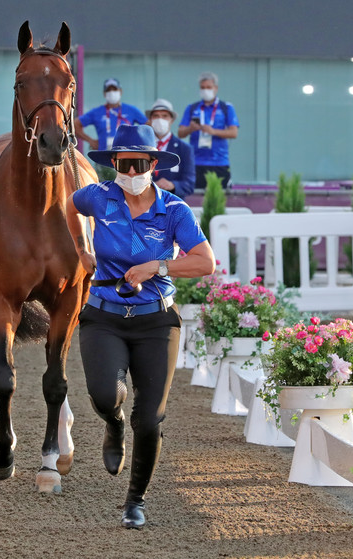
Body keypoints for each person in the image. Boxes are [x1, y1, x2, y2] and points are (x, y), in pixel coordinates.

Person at [65, 124, 216, 529]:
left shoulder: (174, 210)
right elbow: (68, 206)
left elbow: (206, 262)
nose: (131, 172)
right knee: (104, 395)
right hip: (104, 316)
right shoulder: (97, 196)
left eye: (140, 164)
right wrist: (81, 248)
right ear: (113, 163)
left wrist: (159, 265)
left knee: (149, 418)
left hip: (156, 321)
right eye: (124, 163)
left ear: (153, 164)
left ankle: (135, 501)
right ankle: (113, 425)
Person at [178, 71, 239, 190]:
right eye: (202, 87)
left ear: (215, 88)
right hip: (196, 162)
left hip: (219, 162)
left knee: (219, 198)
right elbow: (180, 133)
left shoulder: (226, 107)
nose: (205, 90)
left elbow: (233, 133)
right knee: (195, 199)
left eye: (209, 87)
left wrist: (214, 131)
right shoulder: (192, 108)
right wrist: (191, 128)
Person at [75, 78, 146, 152]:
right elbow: (75, 124)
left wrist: (138, 142)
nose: (111, 92)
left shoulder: (131, 110)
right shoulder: (97, 112)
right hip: (104, 157)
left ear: (120, 92)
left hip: (126, 156)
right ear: (104, 94)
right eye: (108, 90)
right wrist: (90, 141)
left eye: (115, 90)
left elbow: (148, 126)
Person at [145, 98, 195, 201]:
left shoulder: (184, 149)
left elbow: (190, 184)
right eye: (156, 116)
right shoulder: (142, 147)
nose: (160, 119)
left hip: (173, 204)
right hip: (144, 204)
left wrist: (173, 185)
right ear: (150, 119)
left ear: (172, 120)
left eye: (164, 116)